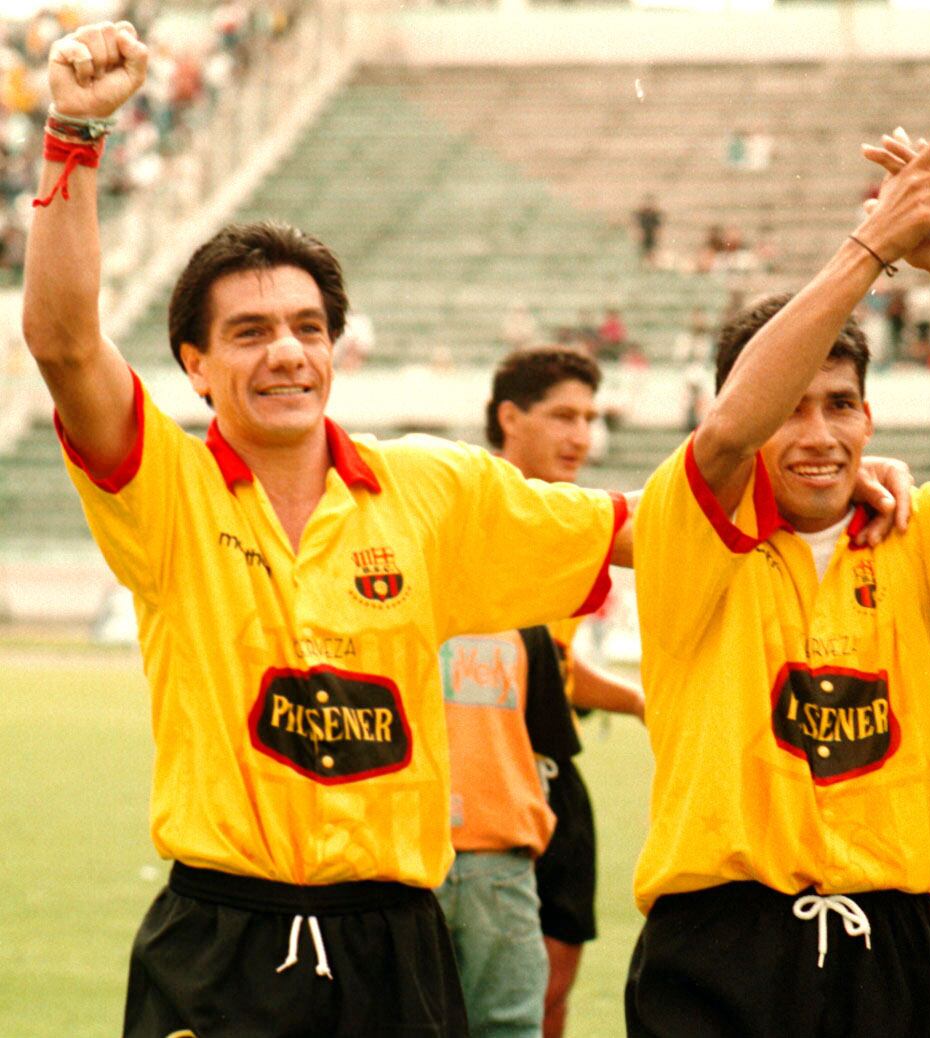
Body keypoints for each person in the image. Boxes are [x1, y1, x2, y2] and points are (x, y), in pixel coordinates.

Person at [23, 23, 629, 1035]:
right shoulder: (166, 490)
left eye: (308, 329)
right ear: (194, 364)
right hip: (220, 945)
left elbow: (643, 528)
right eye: (249, 332)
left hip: (395, 942)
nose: (287, 353)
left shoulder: (431, 487)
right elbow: (62, 341)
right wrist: (75, 135)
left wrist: (821, 486)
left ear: (337, 350)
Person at [625, 123, 930, 1038]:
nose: (819, 436)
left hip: (893, 941)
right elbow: (728, 435)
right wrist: (869, 249)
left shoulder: (917, 532)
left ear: (870, 417)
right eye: (790, 409)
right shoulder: (687, 531)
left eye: (839, 407)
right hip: (721, 942)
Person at [483, 346, 646, 1038]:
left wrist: (638, 701)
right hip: (476, 794)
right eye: (563, 416)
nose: (582, 436)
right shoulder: (463, 513)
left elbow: (556, 666)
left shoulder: (576, 524)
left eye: (590, 418)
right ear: (510, 418)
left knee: (549, 1000)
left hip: (555, 782)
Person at [435, 623, 574, 1038]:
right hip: (498, 859)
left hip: (410, 862)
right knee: (508, 1026)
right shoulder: (527, 620)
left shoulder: (394, 607)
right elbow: (547, 745)